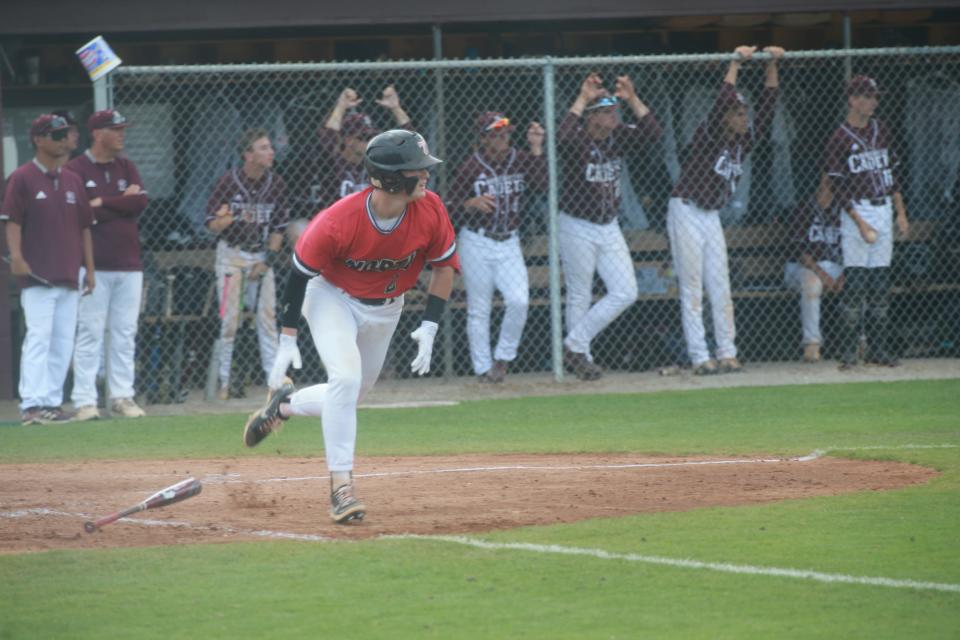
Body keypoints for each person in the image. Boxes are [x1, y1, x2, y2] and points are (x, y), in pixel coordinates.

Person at [242, 129, 459, 524]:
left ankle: (284, 406)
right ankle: (341, 488)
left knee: (352, 397)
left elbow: (444, 268)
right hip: (332, 298)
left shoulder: (431, 209)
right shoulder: (339, 220)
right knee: (345, 378)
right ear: (392, 179)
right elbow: (299, 273)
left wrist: (429, 325)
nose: (426, 176)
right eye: (418, 169)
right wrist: (288, 338)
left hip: (387, 308)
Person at [667, 45, 783, 375]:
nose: (743, 118)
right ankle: (699, 356)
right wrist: (734, 63)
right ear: (725, 118)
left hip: (711, 215)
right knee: (693, 287)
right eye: (737, 114)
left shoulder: (742, 141)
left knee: (721, 284)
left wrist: (771, 66)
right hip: (686, 208)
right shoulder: (709, 134)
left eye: (744, 114)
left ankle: (728, 352)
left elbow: (768, 110)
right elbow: (722, 98)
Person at [557, 73, 662, 380]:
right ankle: (581, 358)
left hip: (608, 225)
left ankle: (574, 345)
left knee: (626, 291)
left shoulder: (619, 136)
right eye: (605, 111)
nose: (613, 115)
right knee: (579, 294)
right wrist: (582, 98)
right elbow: (561, 136)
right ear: (591, 118)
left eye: (614, 110)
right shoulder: (578, 137)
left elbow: (654, 132)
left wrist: (631, 98)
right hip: (577, 223)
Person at [1, 114, 95, 424]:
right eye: (55, 136)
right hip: (38, 274)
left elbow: (85, 227)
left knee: (62, 340)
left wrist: (90, 270)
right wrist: (16, 255)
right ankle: (31, 404)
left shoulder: (72, 179)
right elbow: (12, 220)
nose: (62, 141)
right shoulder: (23, 177)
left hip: (69, 272)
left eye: (64, 135)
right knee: (39, 337)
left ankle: (51, 403)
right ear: (38, 139)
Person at [449, 111, 546, 382]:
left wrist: (537, 148)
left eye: (505, 132)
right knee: (479, 309)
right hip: (477, 241)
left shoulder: (521, 159)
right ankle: (483, 370)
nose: (503, 137)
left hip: (509, 241)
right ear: (484, 139)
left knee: (518, 300)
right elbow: (449, 206)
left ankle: (503, 358)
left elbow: (543, 185)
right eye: (496, 133)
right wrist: (470, 204)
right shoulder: (470, 166)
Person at [67, 109, 150, 420]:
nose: (121, 135)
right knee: (90, 331)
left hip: (129, 263)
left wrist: (103, 202)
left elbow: (139, 202)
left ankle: (121, 395)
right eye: (115, 130)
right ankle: (85, 400)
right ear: (97, 133)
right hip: (93, 264)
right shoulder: (76, 168)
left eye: (122, 129)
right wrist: (119, 201)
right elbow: (80, 213)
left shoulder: (126, 166)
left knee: (124, 332)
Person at [823, 74, 910, 369]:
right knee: (856, 285)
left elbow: (892, 174)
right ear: (853, 100)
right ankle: (848, 352)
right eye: (868, 96)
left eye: (875, 96)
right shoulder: (839, 137)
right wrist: (859, 223)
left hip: (883, 208)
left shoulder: (881, 130)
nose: (874, 101)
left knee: (880, 284)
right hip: (856, 212)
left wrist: (901, 212)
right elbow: (838, 187)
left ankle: (878, 349)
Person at [206, 129, 290, 399]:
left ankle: (275, 382)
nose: (271, 152)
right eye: (263, 148)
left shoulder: (276, 184)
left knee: (267, 320)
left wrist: (266, 262)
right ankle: (224, 382)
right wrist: (224, 220)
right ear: (248, 154)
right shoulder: (227, 183)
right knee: (230, 321)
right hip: (231, 255)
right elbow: (211, 224)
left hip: (260, 257)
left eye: (269, 147)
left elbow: (279, 229)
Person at [306, 85, 413, 213]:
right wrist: (340, 107)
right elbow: (328, 138)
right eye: (364, 137)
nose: (370, 142)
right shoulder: (331, 163)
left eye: (372, 136)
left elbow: (411, 144)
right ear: (348, 140)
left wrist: (396, 108)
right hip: (340, 222)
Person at [783, 175, 844, 363]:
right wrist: (824, 276)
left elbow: (854, 253)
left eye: (830, 183)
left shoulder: (845, 211)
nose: (827, 187)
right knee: (812, 284)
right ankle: (812, 344)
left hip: (837, 268)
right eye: (824, 182)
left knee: (859, 281)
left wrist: (844, 276)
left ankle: (858, 341)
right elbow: (803, 256)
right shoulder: (803, 210)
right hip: (802, 268)